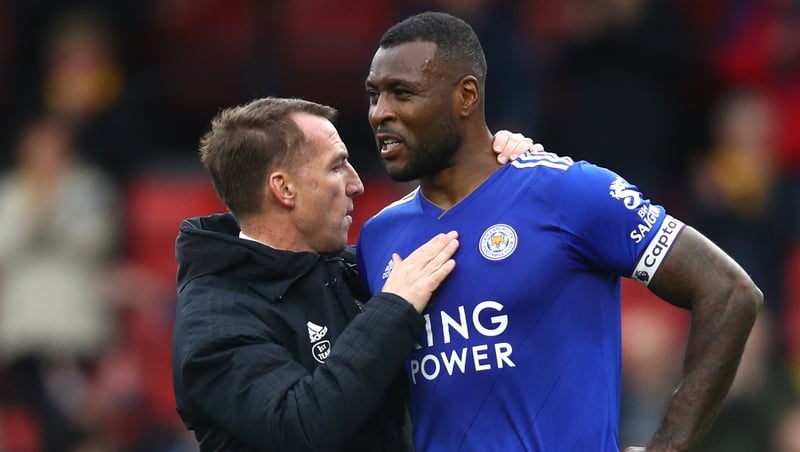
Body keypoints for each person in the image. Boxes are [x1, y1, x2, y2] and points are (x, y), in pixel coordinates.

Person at [356, 11, 763, 452]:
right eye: (374, 96)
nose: (381, 114)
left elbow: (729, 292)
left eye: (402, 93)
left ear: (466, 96)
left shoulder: (567, 192)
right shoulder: (377, 238)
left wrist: (669, 447)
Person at [171, 96, 536, 451]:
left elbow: (475, 253)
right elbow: (300, 426)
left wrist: (496, 171)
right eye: (336, 166)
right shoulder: (213, 322)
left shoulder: (352, 268)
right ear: (284, 188)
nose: (356, 184)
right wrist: (393, 307)